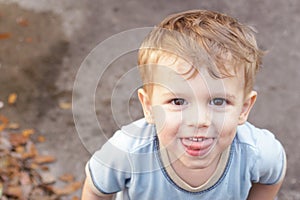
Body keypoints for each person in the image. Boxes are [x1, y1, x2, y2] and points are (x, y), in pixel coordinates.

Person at [81, 10, 286, 200]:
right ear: (149, 107)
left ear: (243, 108)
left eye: (218, 101)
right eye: (178, 101)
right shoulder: (125, 153)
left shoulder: (258, 153)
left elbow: (272, 177)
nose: (199, 121)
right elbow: (96, 190)